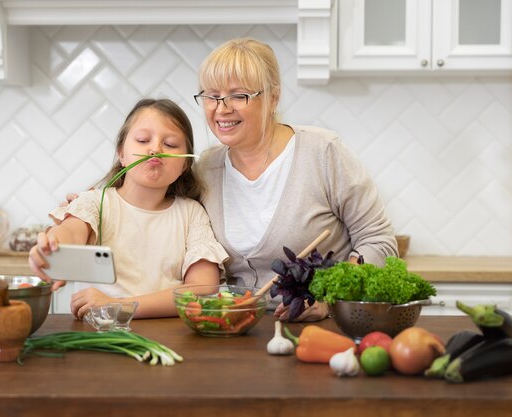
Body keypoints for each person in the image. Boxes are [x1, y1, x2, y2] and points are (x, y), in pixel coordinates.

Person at [192, 37, 398, 321]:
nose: (222, 108)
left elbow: (379, 242)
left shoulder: (323, 152)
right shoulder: (206, 168)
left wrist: (329, 299)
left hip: (325, 330)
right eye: (211, 96)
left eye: (239, 95)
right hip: (237, 330)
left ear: (273, 98)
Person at [29, 98, 228, 320]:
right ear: (121, 154)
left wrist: (119, 305)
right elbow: (70, 233)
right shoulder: (95, 202)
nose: (155, 149)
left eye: (170, 144)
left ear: (184, 165)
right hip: (101, 338)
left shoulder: (192, 213)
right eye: (143, 140)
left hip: (171, 339)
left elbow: (202, 288)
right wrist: (51, 247)